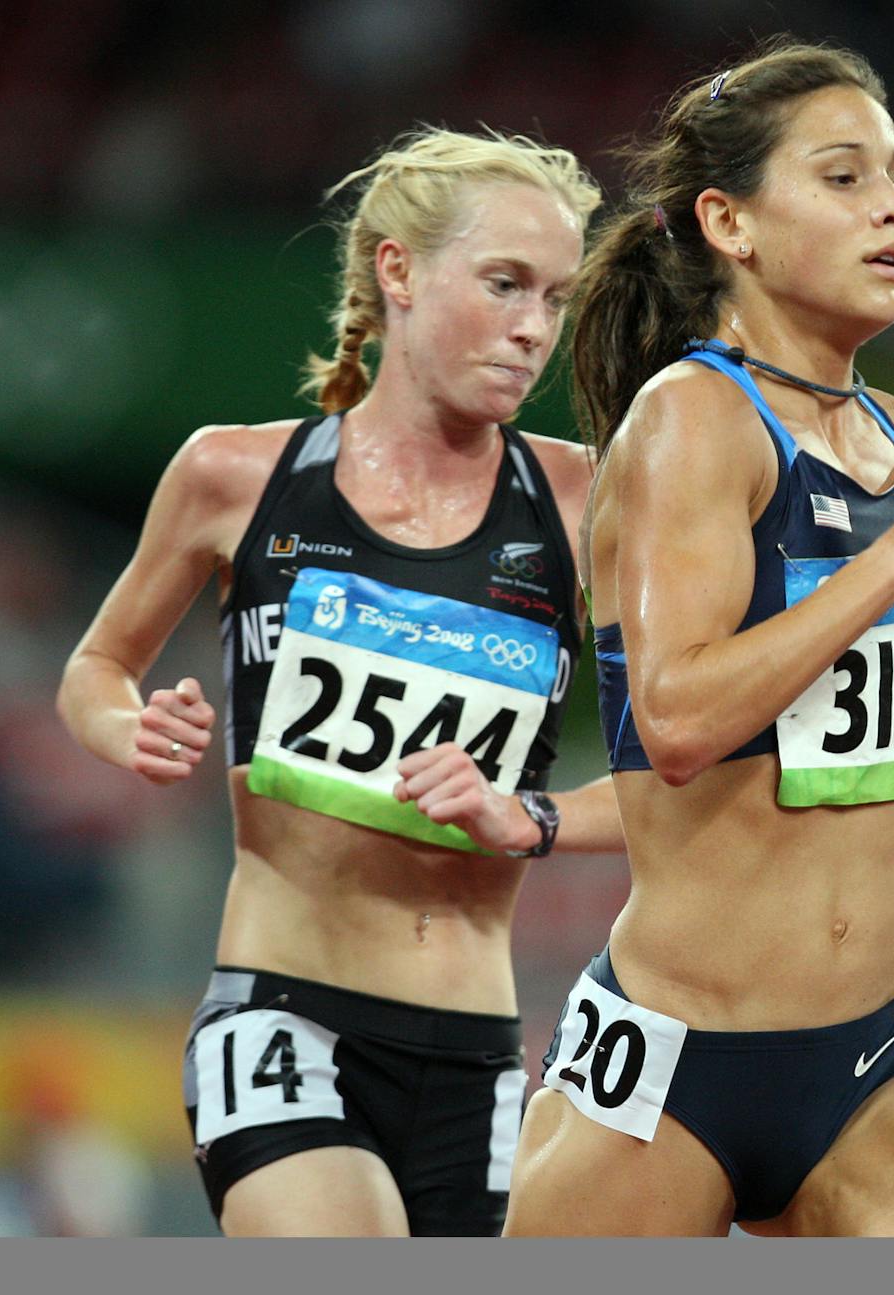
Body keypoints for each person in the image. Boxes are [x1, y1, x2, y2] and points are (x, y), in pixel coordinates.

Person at [501, 39, 894, 1237]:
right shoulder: (694, 419)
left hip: (872, 1063)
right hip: (673, 1072)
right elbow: (680, 720)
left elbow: (830, 695)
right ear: (731, 223)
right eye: (845, 177)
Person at [58, 128, 619, 1236]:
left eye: (554, 299)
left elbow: (691, 749)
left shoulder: (585, 504)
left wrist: (536, 814)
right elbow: (95, 666)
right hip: (280, 1019)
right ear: (397, 272)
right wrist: (127, 728)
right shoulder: (235, 474)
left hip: (477, 1050)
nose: (531, 331)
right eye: (504, 283)